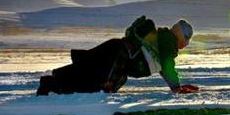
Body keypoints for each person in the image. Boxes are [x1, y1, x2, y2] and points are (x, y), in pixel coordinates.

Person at [36, 16, 199, 95]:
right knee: (97, 86)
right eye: (187, 40)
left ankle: (51, 82)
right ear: (181, 36)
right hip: (119, 55)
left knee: (89, 73)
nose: (186, 44)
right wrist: (177, 87)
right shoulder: (169, 41)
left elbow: (164, 67)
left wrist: (176, 86)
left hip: (119, 53)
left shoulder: (164, 39)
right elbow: (167, 63)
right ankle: (50, 84)